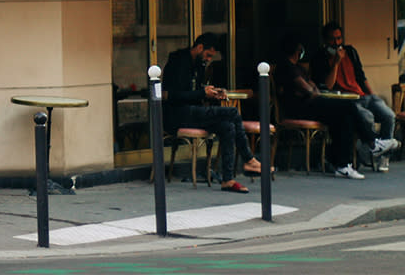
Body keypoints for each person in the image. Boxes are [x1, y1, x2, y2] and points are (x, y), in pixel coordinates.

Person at [278, 35, 399, 179]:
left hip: (312, 104)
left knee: (345, 117)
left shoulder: (299, 67)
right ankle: (372, 143)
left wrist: (312, 91)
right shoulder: (286, 67)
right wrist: (312, 91)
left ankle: (343, 165)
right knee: (348, 106)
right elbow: (309, 89)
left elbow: (313, 88)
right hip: (301, 109)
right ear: (297, 50)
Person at [162, 33, 264, 193]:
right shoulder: (178, 62)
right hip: (177, 114)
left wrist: (214, 92)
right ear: (200, 47)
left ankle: (228, 179)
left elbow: (198, 91)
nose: (209, 59)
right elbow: (173, 95)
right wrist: (203, 93)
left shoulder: (199, 65)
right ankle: (249, 159)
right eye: (208, 55)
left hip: (193, 113)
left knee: (227, 126)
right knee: (232, 112)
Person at [309, 22, 397, 172]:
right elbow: (328, 86)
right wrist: (336, 63)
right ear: (325, 41)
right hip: (344, 100)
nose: (336, 43)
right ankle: (369, 147)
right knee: (367, 116)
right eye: (332, 39)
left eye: (339, 38)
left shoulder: (350, 52)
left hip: (362, 95)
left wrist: (372, 95)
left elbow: (361, 77)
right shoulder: (320, 57)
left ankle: (383, 156)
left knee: (388, 115)